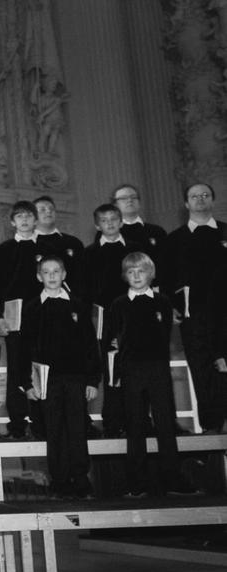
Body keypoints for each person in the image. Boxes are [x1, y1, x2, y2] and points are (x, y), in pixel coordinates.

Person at [103, 252, 195, 497]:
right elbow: (111, 340)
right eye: (131, 272)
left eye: (141, 271)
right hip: (131, 370)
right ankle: (137, 482)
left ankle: (173, 478)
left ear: (150, 274)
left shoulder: (162, 301)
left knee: (165, 423)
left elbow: (163, 335)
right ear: (125, 276)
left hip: (157, 368)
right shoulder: (119, 304)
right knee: (135, 425)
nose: (136, 276)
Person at [18, 256, 100, 498]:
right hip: (46, 381)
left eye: (56, 271)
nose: (52, 276)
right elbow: (24, 348)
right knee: (54, 431)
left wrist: (92, 380)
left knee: (77, 429)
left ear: (64, 274)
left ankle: (81, 479)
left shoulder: (78, 305)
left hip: (75, 378)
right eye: (46, 272)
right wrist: (26, 383)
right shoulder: (33, 308)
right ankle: (60, 481)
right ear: (38, 276)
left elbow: (89, 346)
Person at [159, 183, 227, 434]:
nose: (200, 199)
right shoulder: (174, 239)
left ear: (213, 200)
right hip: (194, 315)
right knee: (201, 369)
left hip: (226, 315)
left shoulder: (225, 232)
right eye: (194, 196)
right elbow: (165, 278)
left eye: (205, 195)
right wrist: (171, 306)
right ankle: (212, 426)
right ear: (186, 204)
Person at [0, 201, 42, 439]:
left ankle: (42, 419)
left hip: (42, 316)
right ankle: (17, 423)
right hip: (13, 315)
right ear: (12, 221)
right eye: (19, 216)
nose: (24, 220)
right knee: (15, 369)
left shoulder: (47, 246)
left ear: (35, 219)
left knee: (41, 363)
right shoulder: (4, 249)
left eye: (28, 216)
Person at [83, 204, 131, 437]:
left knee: (133, 364)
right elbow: (85, 290)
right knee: (108, 366)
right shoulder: (89, 253)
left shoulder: (134, 249)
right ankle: (112, 419)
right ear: (97, 225)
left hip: (132, 315)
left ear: (121, 221)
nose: (110, 223)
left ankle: (137, 417)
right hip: (103, 315)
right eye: (105, 220)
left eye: (114, 219)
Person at [33, 196, 84, 285]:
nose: (48, 211)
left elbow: (83, 274)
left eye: (51, 209)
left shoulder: (73, 242)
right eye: (42, 210)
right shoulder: (27, 244)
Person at [109, 183, 166, 255]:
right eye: (123, 198)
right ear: (115, 205)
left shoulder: (157, 231)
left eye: (133, 197)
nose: (130, 200)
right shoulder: (108, 232)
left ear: (139, 202)